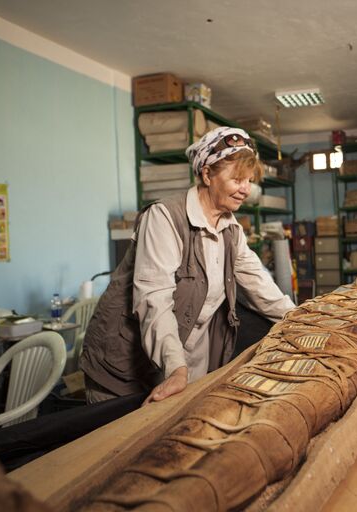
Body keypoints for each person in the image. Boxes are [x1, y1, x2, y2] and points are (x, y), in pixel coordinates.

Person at [80, 127, 295, 405]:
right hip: (124, 370)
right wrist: (176, 368)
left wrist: (301, 318)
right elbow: (154, 299)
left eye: (249, 181)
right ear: (207, 174)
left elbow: (260, 285)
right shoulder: (164, 218)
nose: (246, 189)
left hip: (185, 367)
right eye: (237, 179)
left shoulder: (230, 229)